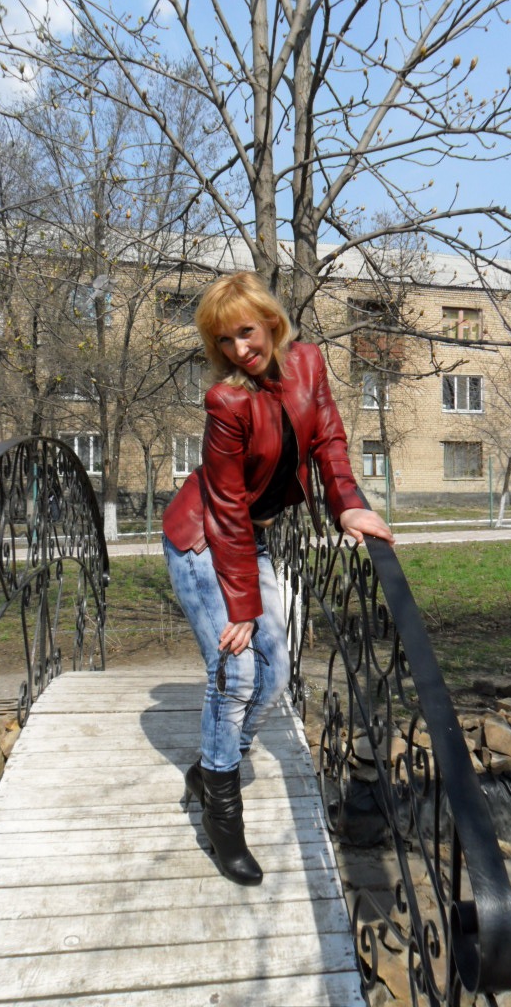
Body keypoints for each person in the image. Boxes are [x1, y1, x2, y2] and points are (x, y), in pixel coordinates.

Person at [162, 271, 394, 886]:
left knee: (275, 672)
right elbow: (225, 509)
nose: (239, 348)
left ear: (270, 321)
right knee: (236, 672)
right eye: (224, 340)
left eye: (246, 332)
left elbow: (330, 443)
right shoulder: (227, 401)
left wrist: (347, 505)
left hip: (248, 536)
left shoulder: (309, 364)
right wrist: (241, 608)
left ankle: (212, 769)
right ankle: (223, 814)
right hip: (201, 539)